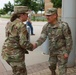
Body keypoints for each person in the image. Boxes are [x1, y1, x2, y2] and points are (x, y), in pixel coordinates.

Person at [33, 8, 73, 75]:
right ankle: (53, 73)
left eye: (49, 15)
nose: (47, 17)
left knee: (62, 70)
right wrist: (35, 44)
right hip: (52, 51)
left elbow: (68, 39)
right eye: (46, 15)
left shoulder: (63, 26)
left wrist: (67, 52)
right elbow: (42, 37)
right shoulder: (46, 26)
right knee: (51, 66)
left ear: (55, 16)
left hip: (62, 51)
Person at [1, 6, 33, 75]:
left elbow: (10, 37)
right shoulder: (21, 25)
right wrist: (32, 46)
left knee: (16, 72)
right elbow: (23, 43)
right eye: (27, 14)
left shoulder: (10, 23)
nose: (28, 16)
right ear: (22, 15)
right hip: (15, 56)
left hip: (6, 53)